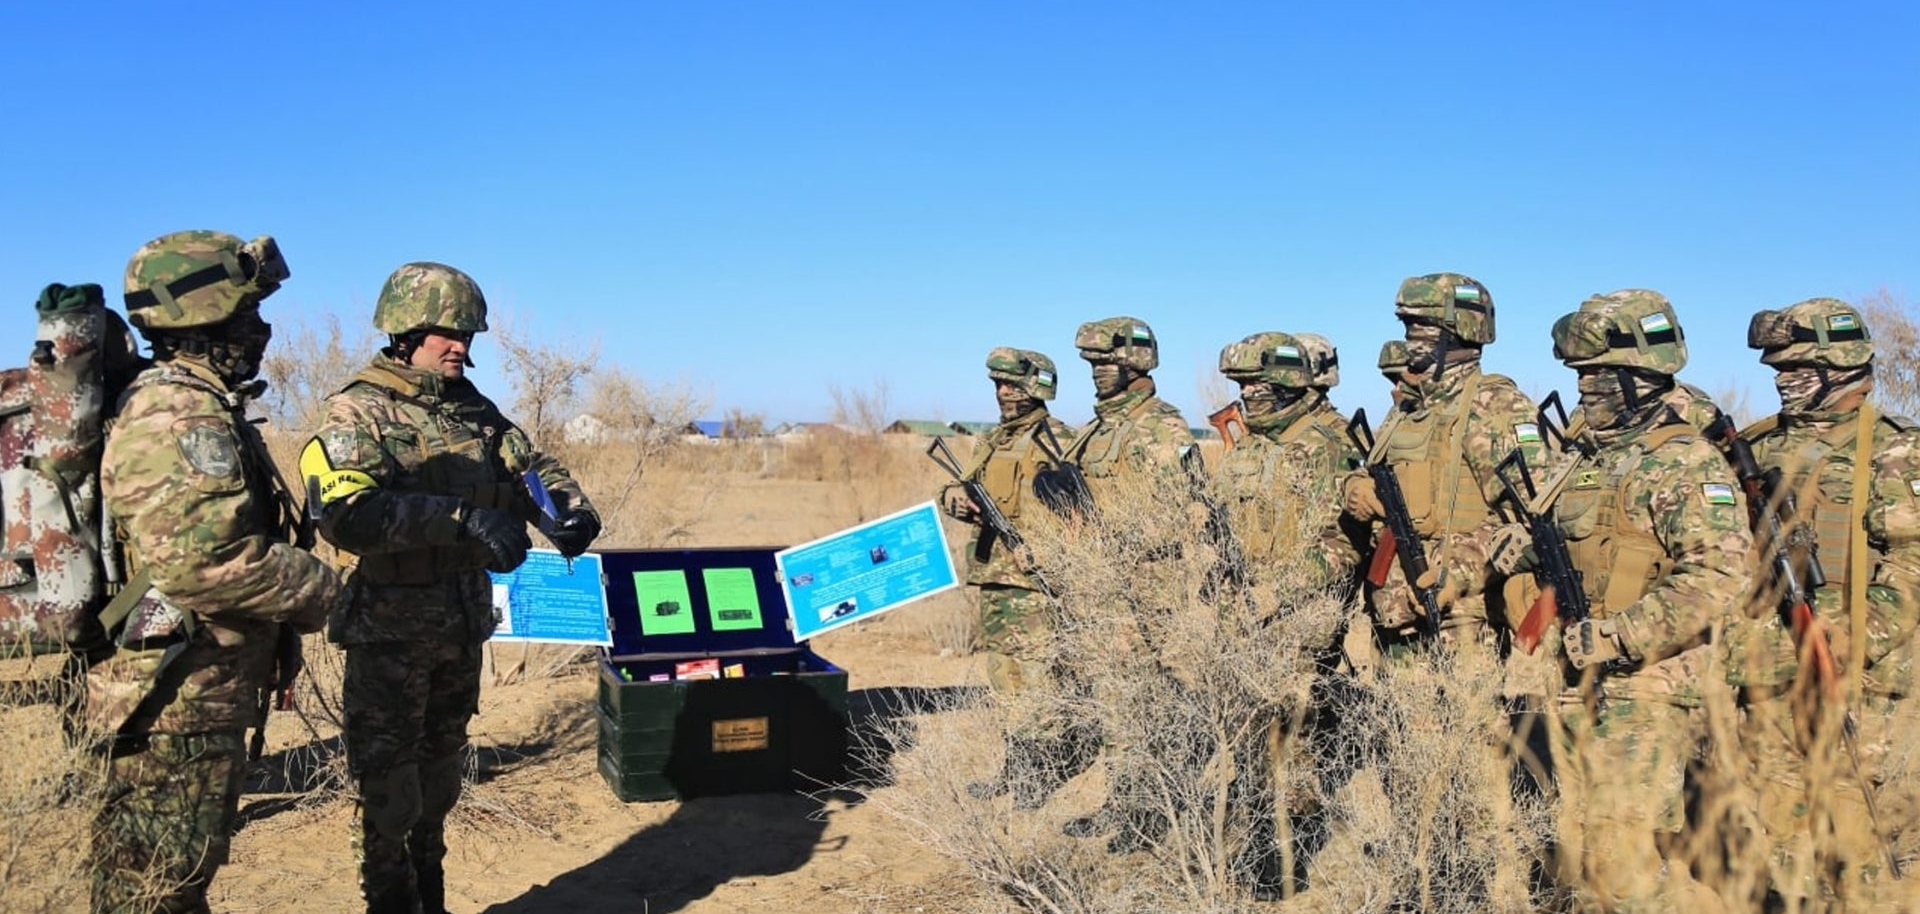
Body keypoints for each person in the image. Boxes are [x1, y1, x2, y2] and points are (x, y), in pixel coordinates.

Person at [302, 262, 600, 914]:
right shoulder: (358, 411)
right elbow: (344, 516)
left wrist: (567, 512)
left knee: (438, 787)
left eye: (467, 334)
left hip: (460, 628)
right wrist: (460, 518)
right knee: (389, 795)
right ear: (405, 332)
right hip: (389, 635)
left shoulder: (476, 412)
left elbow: (531, 469)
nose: (461, 345)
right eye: (447, 333)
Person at [1468, 289, 1748, 911]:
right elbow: (1568, 543)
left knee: (1619, 860)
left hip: (1646, 686)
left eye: (1599, 376)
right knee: (1570, 854)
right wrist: (1525, 547)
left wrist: (1621, 635)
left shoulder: (1683, 463)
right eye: (1581, 375)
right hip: (1571, 677)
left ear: (1642, 377)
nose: (1585, 387)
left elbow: (1717, 578)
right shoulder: (1583, 460)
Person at [91, 230, 344, 912]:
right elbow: (205, 563)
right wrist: (332, 596)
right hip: (177, 701)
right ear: (208, 316)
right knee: (154, 891)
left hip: (195, 691)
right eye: (249, 313)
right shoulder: (179, 411)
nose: (262, 329)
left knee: (170, 883)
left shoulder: (196, 402)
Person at [1726, 298, 1920, 909]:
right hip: (1769, 677)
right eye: (1777, 369)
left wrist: (1846, 634)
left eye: (1798, 367)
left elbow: (1910, 569)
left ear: (1841, 368)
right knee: (1777, 835)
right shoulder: (1753, 449)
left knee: (1857, 844)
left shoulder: (1895, 452)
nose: (1782, 380)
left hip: (1859, 682)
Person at [1214, 330, 1367, 896]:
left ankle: (1284, 861)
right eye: (1242, 384)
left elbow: (1345, 543)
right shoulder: (1251, 444)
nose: (1248, 393)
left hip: (1301, 617)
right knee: (1253, 734)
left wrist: (1275, 593)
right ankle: (1255, 839)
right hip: (1243, 615)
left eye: (1260, 383)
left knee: (1289, 739)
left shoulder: (1329, 443)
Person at [1055, 315, 1196, 854]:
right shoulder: (1097, 428)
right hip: (1100, 590)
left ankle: (1149, 811)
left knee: (1143, 704)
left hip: (1143, 593)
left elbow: (1175, 512)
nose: (1096, 373)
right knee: (1115, 704)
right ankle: (1123, 801)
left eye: (1107, 362)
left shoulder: (1160, 426)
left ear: (1136, 363)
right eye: (1091, 363)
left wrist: (1106, 537)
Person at [941, 347, 1079, 809]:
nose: (1003, 393)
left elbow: (1081, 512)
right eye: (998, 385)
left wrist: (1046, 546)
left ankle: (1040, 773)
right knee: (1003, 677)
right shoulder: (993, 439)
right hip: (994, 576)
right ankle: (1015, 766)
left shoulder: (1058, 440)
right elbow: (955, 487)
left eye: (1013, 385)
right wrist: (955, 502)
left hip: (1035, 582)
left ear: (1037, 387)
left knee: (1038, 680)